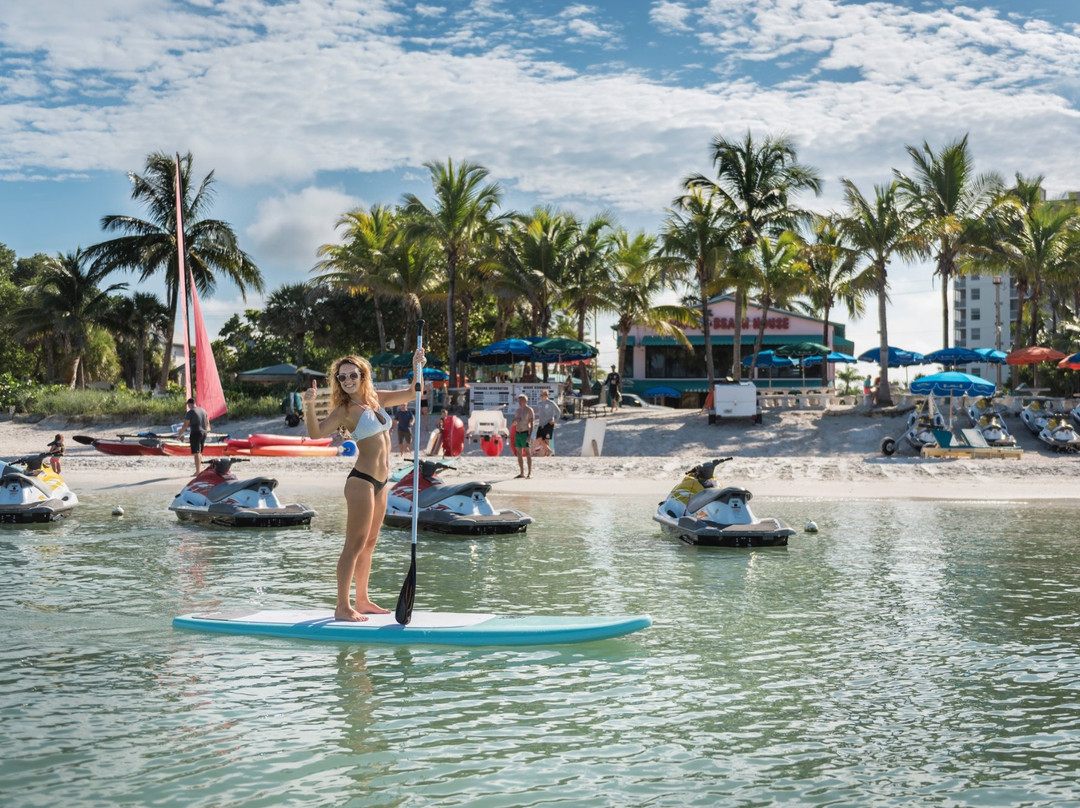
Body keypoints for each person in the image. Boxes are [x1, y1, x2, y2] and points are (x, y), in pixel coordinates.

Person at [303, 352, 426, 622]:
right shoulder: (344, 411)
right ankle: (342, 606)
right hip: (361, 482)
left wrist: (418, 368)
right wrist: (309, 405)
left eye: (352, 375)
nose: (347, 380)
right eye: (342, 376)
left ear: (363, 375)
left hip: (382, 482)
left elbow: (413, 392)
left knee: (370, 543)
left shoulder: (376, 398)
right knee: (354, 544)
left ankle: (362, 599)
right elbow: (315, 433)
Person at [175, 398, 209, 475]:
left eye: (188, 405)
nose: (188, 406)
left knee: (196, 452)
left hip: (196, 433)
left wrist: (179, 434)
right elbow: (207, 422)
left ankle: (197, 472)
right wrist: (206, 430)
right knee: (200, 452)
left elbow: (185, 424)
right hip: (204, 433)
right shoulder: (203, 410)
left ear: (190, 404)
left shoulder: (190, 412)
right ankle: (199, 470)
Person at [510, 393, 534, 478]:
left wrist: (529, 436)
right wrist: (516, 420)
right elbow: (513, 423)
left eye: (522, 400)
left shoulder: (529, 410)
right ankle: (522, 472)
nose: (520, 402)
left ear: (526, 401)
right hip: (518, 433)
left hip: (525, 433)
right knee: (519, 453)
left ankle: (529, 472)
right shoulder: (518, 411)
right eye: (519, 400)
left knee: (528, 453)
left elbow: (532, 423)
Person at [532, 389, 561, 457]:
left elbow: (558, 411)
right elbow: (533, 411)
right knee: (539, 438)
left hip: (548, 424)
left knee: (546, 440)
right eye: (541, 395)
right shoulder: (539, 404)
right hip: (541, 424)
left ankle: (546, 454)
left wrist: (555, 421)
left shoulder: (551, 403)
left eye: (543, 395)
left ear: (547, 395)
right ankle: (550, 450)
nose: (542, 396)